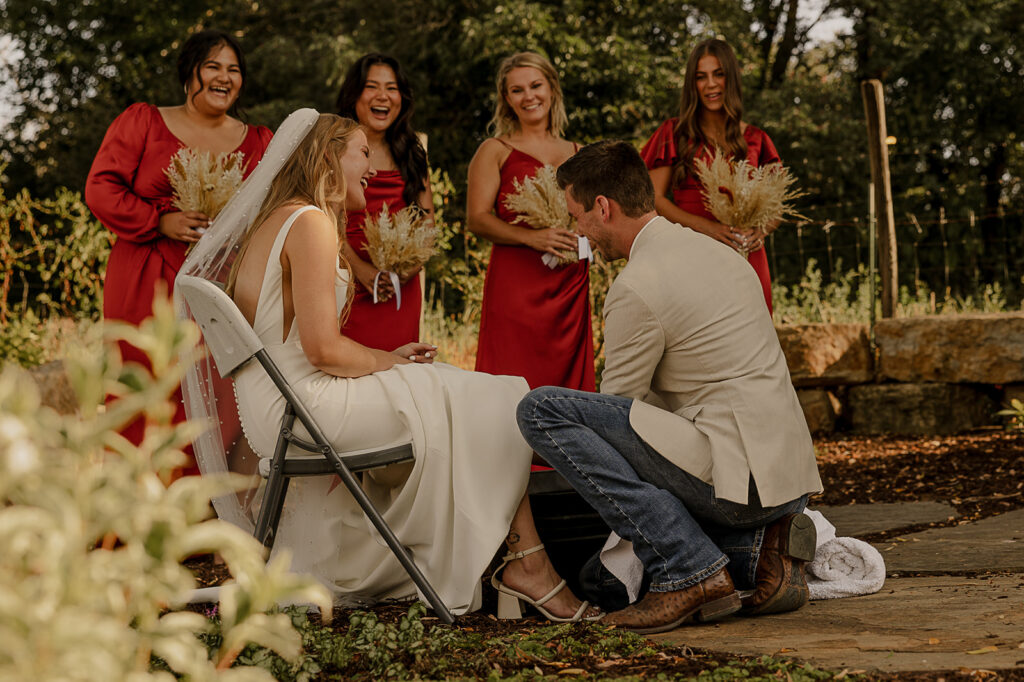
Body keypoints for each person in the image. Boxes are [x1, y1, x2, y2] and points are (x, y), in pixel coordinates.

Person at [196, 109, 600, 619]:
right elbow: (323, 349)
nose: (372, 168)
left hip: (283, 401)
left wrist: (394, 364)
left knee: (462, 385)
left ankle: (519, 557)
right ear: (328, 157)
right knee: (499, 398)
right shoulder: (311, 223)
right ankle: (527, 563)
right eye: (361, 153)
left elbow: (304, 345)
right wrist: (390, 362)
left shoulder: (276, 219)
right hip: (307, 406)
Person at [516, 140, 823, 634]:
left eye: (576, 216)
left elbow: (620, 416)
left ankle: (688, 568)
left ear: (603, 207)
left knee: (542, 409)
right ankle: (756, 554)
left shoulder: (637, 286)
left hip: (735, 481)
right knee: (601, 577)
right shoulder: (721, 254)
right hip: (788, 477)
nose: (577, 230)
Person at [86, 30, 273, 475]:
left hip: (221, 289)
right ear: (189, 73)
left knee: (218, 394)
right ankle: (137, 508)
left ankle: (209, 513)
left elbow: (272, 213)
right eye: (213, 66)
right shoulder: (143, 122)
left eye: (234, 69)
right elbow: (101, 188)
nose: (224, 77)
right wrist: (159, 220)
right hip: (144, 278)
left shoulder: (260, 142)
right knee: (144, 385)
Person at [467, 51, 594, 391]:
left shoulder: (580, 152)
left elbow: (593, 217)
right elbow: (477, 219)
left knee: (567, 387)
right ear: (506, 99)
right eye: (517, 90)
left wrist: (587, 240)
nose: (529, 96)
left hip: (569, 283)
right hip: (516, 285)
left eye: (536, 85)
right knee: (511, 379)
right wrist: (532, 238)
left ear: (551, 88)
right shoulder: (494, 150)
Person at [641, 38, 781, 315]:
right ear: (692, 84)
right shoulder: (674, 132)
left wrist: (760, 232)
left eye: (718, 74)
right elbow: (654, 198)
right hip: (693, 253)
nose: (711, 84)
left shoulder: (757, 139)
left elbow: (776, 206)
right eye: (700, 77)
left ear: (731, 78)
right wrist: (707, 228)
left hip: (747, 256)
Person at [335, 53, 433, 349]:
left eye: (392, 88)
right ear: (354, 94)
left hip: (400, 289)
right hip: (344, 278)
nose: (383, 96)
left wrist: (410, 268)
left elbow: (427, 222)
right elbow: (322, 215)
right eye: (372, 86)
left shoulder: (413, 152)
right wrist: (359, 270)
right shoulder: (332, 145)